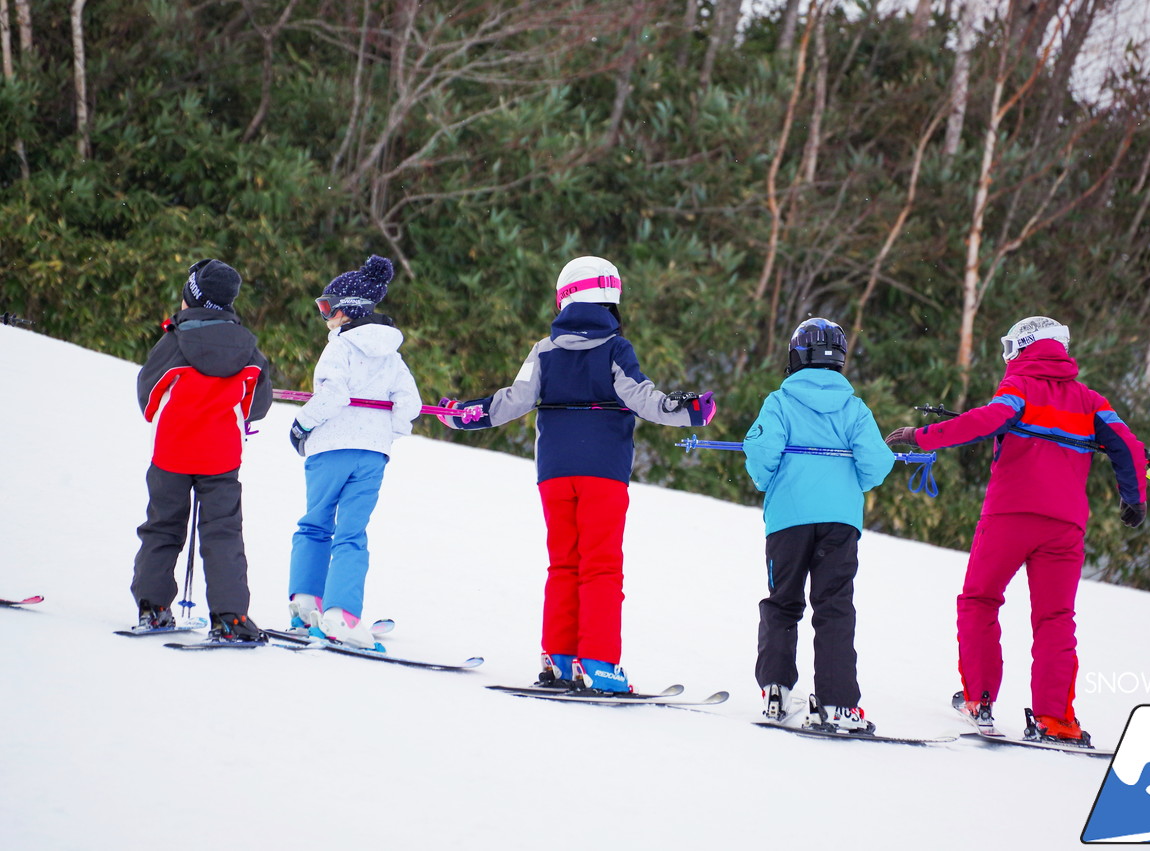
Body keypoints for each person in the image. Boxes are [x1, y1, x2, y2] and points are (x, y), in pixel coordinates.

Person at [439, 255, 715, 693]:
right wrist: (688, 411)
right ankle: (600, 664)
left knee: (564, 564)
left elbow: (513, 400)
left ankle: (559, 660)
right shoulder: (616, 349)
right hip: (603, 472)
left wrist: (463, 415)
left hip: (554, 472)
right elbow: (643, 398)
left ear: (565, 297)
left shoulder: (544, 351)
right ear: (612, 299)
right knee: (601, 567)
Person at [885, 316, 1148, 746]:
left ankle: (980, 699)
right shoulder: (1092, 401)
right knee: (1056, 620)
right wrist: (1133, 497)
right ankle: (1056, 719)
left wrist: (924, 435)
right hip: (1065, 527)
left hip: (1009, 517)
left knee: (979, 601)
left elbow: (986, 420)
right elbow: (1127, 444)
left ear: (1024, 347)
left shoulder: (1019, 388)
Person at [743, 317, 896, 732]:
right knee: (834, 607)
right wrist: (849, 485)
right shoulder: (854, 408)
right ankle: (838, 704)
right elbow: (878, 462)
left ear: (796, 356)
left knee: (783, 601)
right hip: (841, 522)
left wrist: (768, 482)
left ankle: (775, 690)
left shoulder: (780, 401)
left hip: (788, 520)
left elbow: (760, 453)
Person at [132, 259, 273, 641]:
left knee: (162, 526)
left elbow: (149, 394)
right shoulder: (249, 351)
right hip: (221, 457)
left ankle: (154, 608)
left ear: (191, 297)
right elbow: (257, 405)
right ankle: (230, 617)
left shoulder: (173, 342)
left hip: (171, 453)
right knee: (224, 532)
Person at [285, 255, 421, 650]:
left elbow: (333, 394)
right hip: (372, 454)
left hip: (330, 448)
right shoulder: (393, 357)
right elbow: (409, 405)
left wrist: (302, 426)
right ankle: (341, 615)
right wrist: (387, 433)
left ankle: (306, 604)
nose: (325, 316)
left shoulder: (340, 347)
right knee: (351, 533)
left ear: (347, 311)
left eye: (327, 308)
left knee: (315, 524)